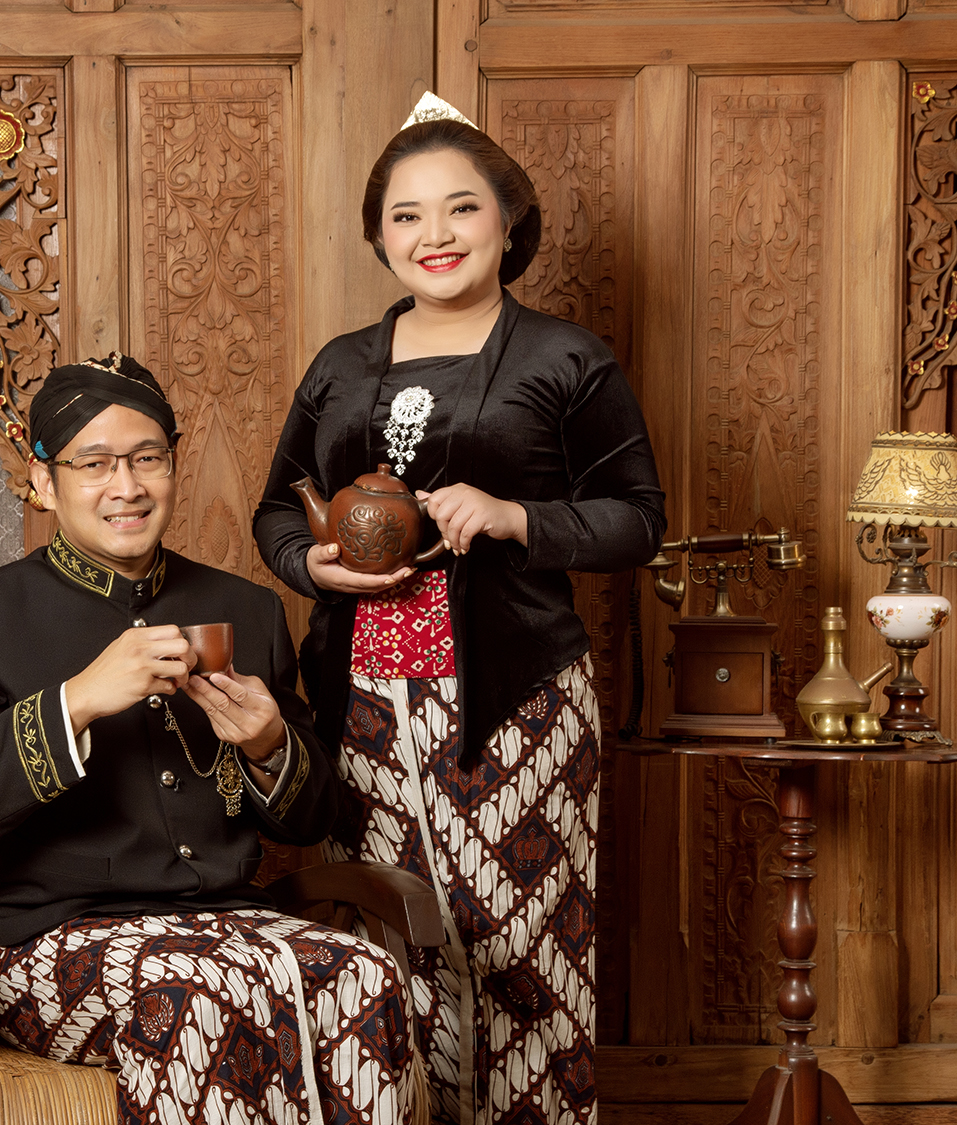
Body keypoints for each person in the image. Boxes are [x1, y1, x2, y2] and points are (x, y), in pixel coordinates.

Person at [253, 94, 667, 1124]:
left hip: (514, 702)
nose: (431, 234)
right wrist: (314, 569)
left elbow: (637, 519)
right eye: (405, 215)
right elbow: (276, 511)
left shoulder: (564, 358)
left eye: (459, 208)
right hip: (357, 707)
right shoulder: (340, 364)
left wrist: (517, 517)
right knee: (388, 944)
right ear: (378, 233)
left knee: (521, 953)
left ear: (507, 221)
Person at [0, 354, 415, 1125]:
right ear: (44, 481)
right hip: (48, 942)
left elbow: (312, 820)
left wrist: (269, 745)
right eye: (94, 463)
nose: (127, 486)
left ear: (173, 465)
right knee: (196, 992)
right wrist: (76, 701)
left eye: (146, 458)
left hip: (229, 921)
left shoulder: (247, 609)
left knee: (365, 974)